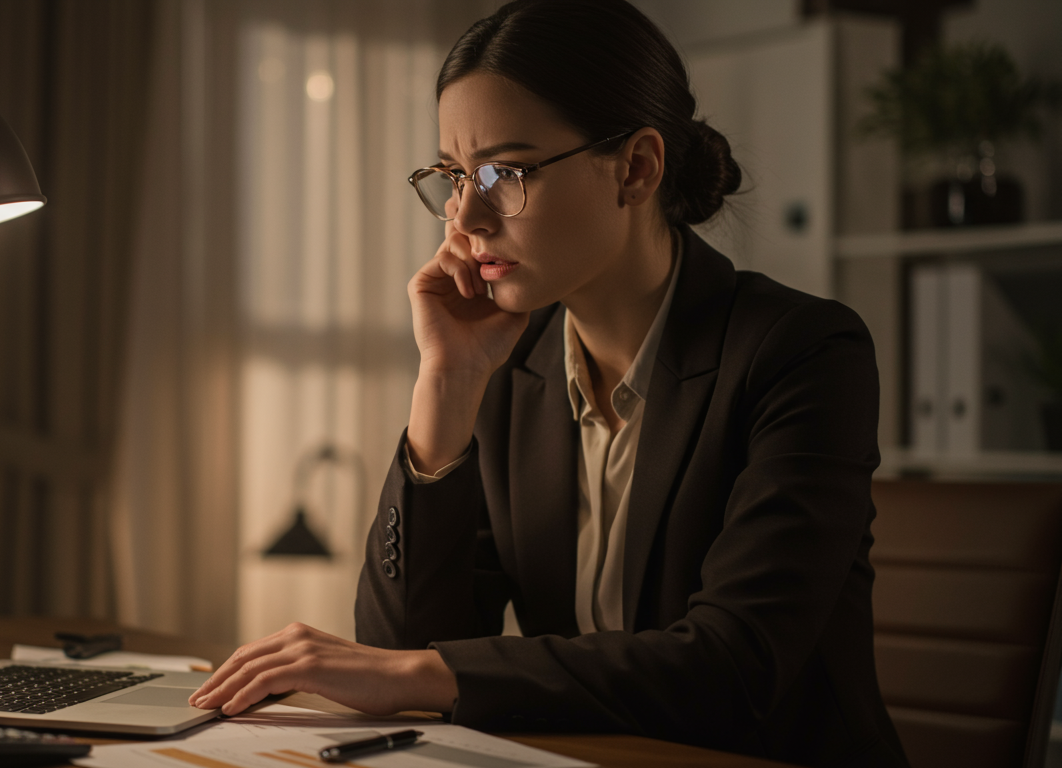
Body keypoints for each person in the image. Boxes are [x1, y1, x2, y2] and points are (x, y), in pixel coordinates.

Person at [190, 1, 907, 765]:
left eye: (503, 173)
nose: (466, 216)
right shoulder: (509, 359)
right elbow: (403, 648)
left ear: (636, 168)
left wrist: (417, 673)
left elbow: (734, 667)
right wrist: (446, 385)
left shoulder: (801, 351)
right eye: (455, 176)